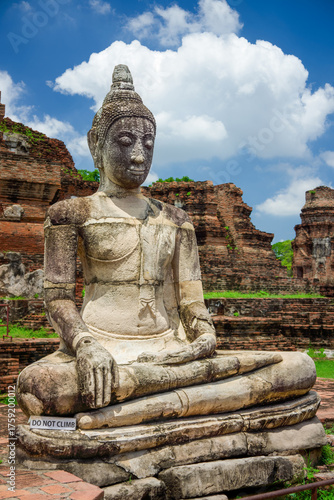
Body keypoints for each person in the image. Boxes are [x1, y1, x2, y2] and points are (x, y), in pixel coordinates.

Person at [17, 65, 315, 429]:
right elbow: (57, 298)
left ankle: (125, 414)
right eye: (125, 142)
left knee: (297, 367)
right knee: (41, 387)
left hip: (174, 350)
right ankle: (185, 408)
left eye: (148, 143)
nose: (139, 156)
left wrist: (204, 332)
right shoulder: (72, 213)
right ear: (96, 144)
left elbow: (192, 302)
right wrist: (85, 345)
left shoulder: (176, 220)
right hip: (102, 351)